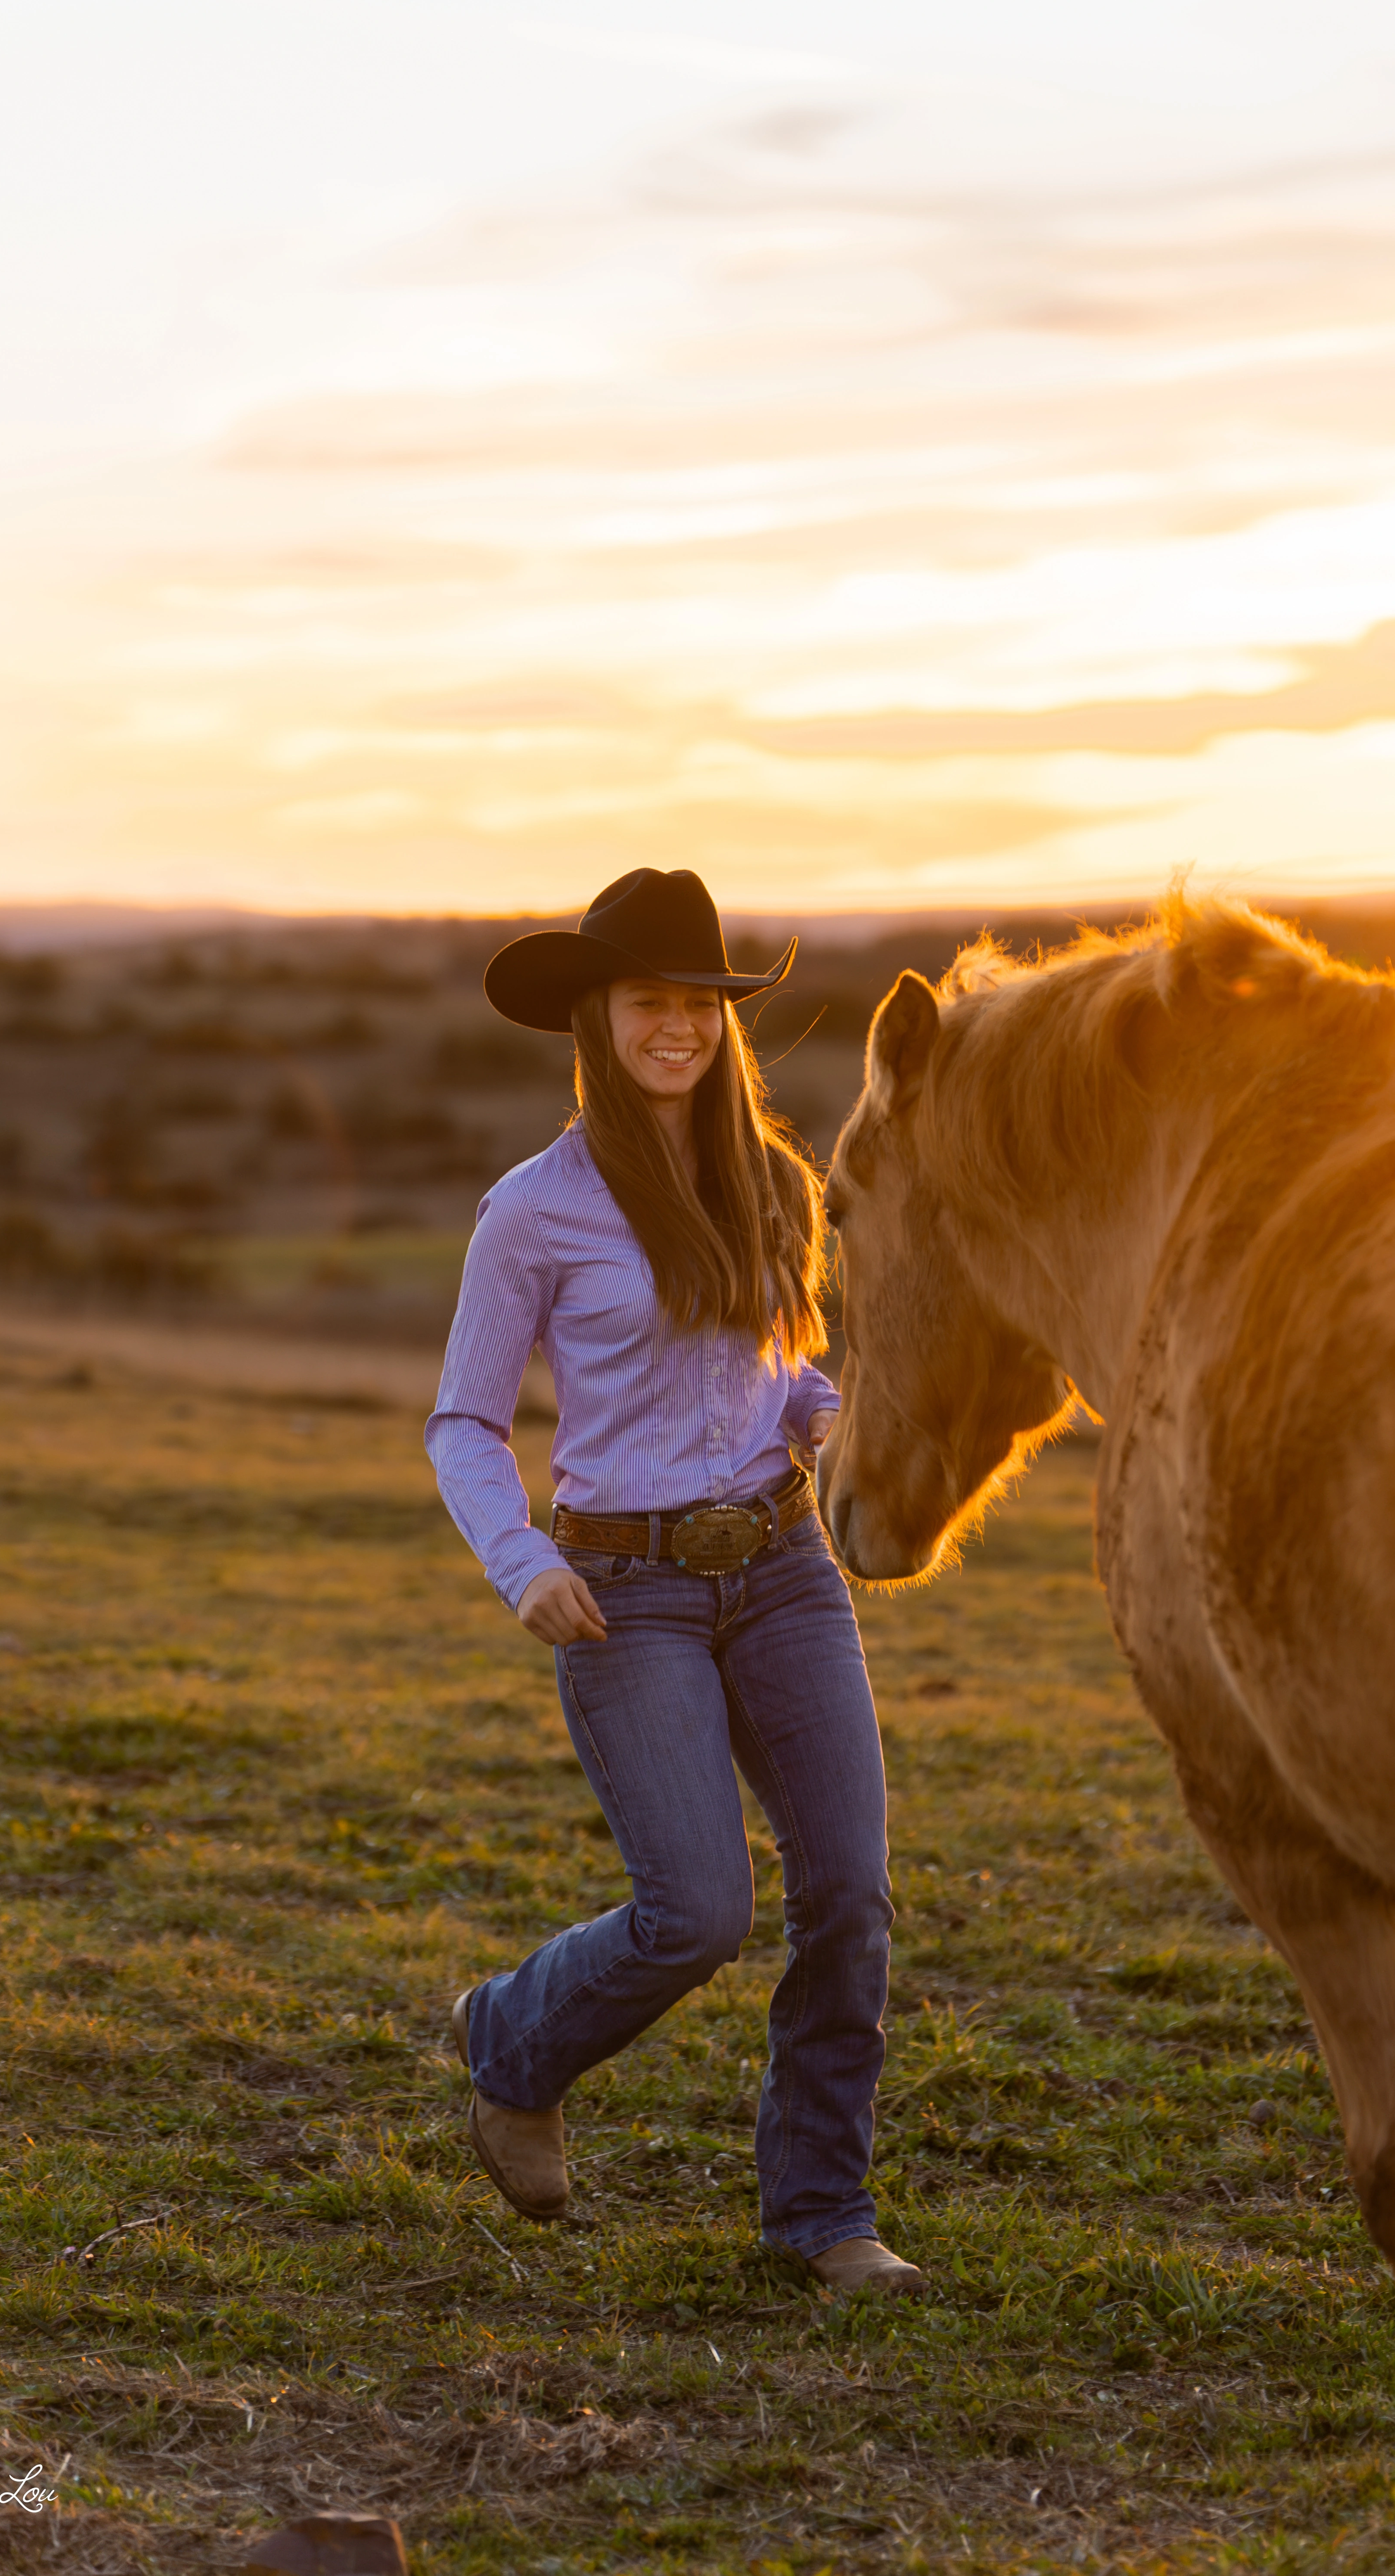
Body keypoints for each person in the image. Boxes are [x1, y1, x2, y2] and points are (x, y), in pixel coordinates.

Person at [426, 867, 920, 2296]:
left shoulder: (774, 1179)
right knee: (698, 1910)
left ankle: (822, 2215)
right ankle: (513, 2046)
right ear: (598, 1018)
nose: (680, 1029)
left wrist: (829, 1416)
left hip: (780, 1564)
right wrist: (518, 1560)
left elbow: (776, 1366)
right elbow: (465, 1418)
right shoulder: (533, 1212)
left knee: (850, 1895)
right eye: (652, 1002)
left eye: (701, 1004)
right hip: (621, 1590)